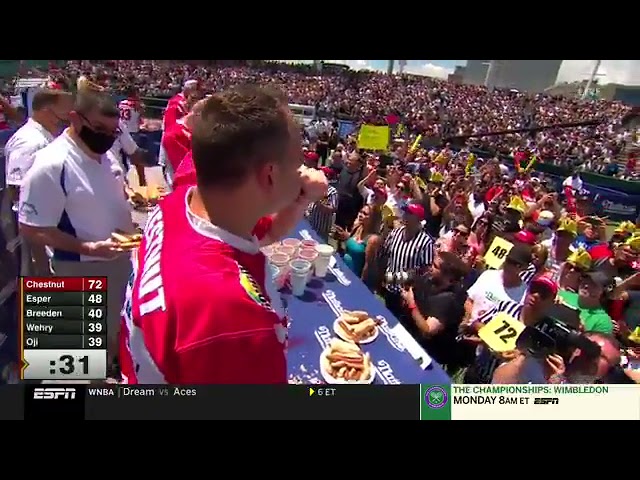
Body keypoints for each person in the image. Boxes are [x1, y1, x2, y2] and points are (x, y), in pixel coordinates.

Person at [119, 85, 328, 384]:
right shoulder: (234, 321)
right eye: (298, 164)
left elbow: (265, 234)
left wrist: (300, 198)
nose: (304, 172)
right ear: (269, 174)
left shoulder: (180, 203)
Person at [18, 89, 134, 366]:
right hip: (76, 268)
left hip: (117, 264)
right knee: (69, 363)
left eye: (113, 131)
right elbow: (30, 228)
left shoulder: (104, 154)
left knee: (109, 346)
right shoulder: (51, 164)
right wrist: (88, 247)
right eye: (99, 128)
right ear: (75, 119)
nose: (107, 136)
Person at [3, 88, 73, 275]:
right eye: (64, 112)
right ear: (46, 111)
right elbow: (16, 190)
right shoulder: (29, 141)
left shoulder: (47, 137)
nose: (68, 117)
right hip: (39, 231)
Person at [400, 251, 469, 372]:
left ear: (449, 278)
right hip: (408, 339)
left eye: (435, 266)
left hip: (428, 356)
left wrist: (411, 303)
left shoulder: (448, 300)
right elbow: (409, 281)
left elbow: (427, 330)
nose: (431, 267)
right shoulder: (428, 278)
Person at [379, 203, 434, 317]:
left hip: (405, 293)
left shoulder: (425, 242)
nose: (405, 215)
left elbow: (426, 271)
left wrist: (409, 285)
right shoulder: (396, 232)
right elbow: (386, 254)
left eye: (409, 213)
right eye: (405, 212)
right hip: (389, 286)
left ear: (418, 219)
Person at [333, 204, 382, 282]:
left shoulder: (373, 239)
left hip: (354, 277)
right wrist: (345, 236)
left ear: (373, 219)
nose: (360, 215)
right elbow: (351, 244)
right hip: (341, 269)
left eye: (365, 214)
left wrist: (360, 284)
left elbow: (368, 266)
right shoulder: (357, 227)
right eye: (361, 212)